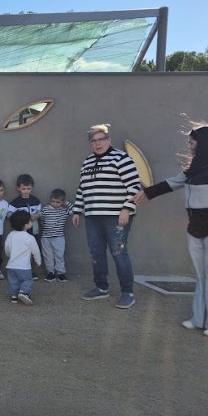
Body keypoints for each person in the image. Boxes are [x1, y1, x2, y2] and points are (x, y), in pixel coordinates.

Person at [132, 123, 208, 337]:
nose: (189, 144)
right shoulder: (199, 165)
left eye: (192, 140)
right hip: (197, 227)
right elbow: (176, 182)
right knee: (204, 274)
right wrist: (147, 193)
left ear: (204, 141)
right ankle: (201, 319)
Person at [71, 124, 141, 309]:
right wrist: (77, 210)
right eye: (94, 141)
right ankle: (101, 288)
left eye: (101, 139)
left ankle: (128, 293)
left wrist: (126, 208)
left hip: (116, 217)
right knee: (96, 253)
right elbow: (82, 189)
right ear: (90, 144)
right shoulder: (87, 162)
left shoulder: (121, 158)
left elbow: (134, 186)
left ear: (108, 140)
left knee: (119, 253)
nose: (98, 143)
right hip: (93, 216)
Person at [5, 210, 42, 305]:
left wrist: (10, 256)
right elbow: (36, 251)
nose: (31, 222)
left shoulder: (11, 235)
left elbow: (7, 248)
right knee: (27, 280)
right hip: (24, 266)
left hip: (11, 265)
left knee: (13, 281)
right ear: (25, 225)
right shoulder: (30, 238)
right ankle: (23, 292)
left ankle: (14, 296)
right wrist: (38, 261)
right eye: (30, 221)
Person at [10, 174, 43, 279]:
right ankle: (21, 272)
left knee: (32, 251)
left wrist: (37, 215)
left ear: (32, 188)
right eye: (24, 188)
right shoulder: (15, 203)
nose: (26, 191)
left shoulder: (36, 201)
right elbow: (9, 215)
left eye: (28, 188)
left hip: (34, 230)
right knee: (22, 252)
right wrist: (20, 218)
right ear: (18, 188)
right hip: (21, 232)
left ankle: (31, 271)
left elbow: (40, 212)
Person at [40, 189, 72, 282]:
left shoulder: (64, 211)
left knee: (59, 255)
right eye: (53, 201)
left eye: (58, 202)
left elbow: (76, 211)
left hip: (58, 237)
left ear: (62, 202)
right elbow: (42, 220)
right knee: (48, 256)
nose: (55, 204)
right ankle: (51, 273)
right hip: (46, 237)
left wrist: (67, 203)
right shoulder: (45, 209)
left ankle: (61, 273)